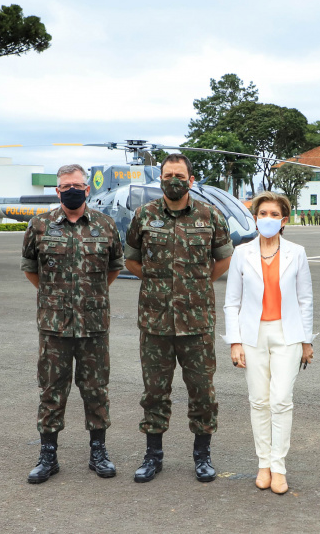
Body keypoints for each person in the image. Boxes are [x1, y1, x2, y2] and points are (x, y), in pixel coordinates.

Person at [124, 154, 234, 483]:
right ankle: (152, 456)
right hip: (155, 322)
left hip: (197, 322)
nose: (174, 179)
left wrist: (196, 285)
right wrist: (160, 284)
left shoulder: (209, 215)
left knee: (202, 391)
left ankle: (202, 456)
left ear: (190, 178)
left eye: (179, 174)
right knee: (154, 392)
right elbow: (131, 260)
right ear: (160, 178)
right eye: (168, 174)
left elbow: (223, 259)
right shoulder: (144, 215)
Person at [21, 163, 124, 484]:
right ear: (57, 191)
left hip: (94, 325)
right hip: (55, 327)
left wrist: (88, 295)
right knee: (52, 390)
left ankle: (98, 452)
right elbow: (31, 269)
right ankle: (48, 456)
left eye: (77, 185)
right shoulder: (39, 225)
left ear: (87, 188)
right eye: (66, 187)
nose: (72, 191)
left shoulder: (106, 226)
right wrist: (57, 296)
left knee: (96, 390)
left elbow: (114, 268)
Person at [223, 191, 315, 495]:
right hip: (253, 335)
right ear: (255, 217)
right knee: (259, 401)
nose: (268, 219)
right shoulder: (242, 253)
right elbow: (231, 302)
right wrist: (234, 342)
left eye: (275, 215)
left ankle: (279, 467)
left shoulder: (297, 253)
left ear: (284, 220)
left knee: (281, 400)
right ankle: (263, 464)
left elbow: (305, 300)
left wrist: (306, 341)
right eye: (263, 213)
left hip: (287, 334)